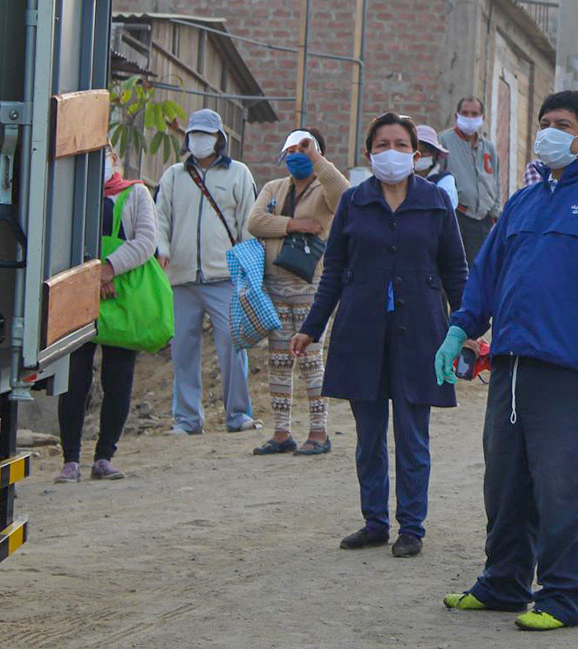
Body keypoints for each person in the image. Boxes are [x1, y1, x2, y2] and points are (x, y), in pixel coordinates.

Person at [436, 90, 578, 632]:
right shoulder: (523, 202)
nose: (547, 132)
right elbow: (486, 273)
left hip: (568, 369)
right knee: (505, 482)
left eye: (560, 124)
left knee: (564, 485)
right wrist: (461, 326)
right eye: (544, 123)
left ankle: (563, 596)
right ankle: (504, 582)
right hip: (509, 364)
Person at [291, 112, 468, 559]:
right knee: (368, 434)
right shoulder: (354, 202)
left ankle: (412, 525)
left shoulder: (434, 202)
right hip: (361, 329)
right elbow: (333, 271)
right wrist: (311, 328)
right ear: (369, 154)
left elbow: (455, 269)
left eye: (402, 144)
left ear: (416, 153)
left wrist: (468, 326)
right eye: (383, 144)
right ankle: (374, 520)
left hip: (421, 329)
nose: (393, 151)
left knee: (412, 432)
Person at [247, 127, 351, 457]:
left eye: (302, 149)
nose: (296, 155)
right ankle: (281, 431)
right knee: (278, 360)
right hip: (275, 284)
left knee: (310, 359)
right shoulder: (274, 187)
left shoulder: (325, 190)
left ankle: (319, 431)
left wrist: (316, 157)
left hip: (312, 286)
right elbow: (255, 221)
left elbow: (344, 194)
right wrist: (294, 225)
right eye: (290, 150)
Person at [54, 147, 156, 483]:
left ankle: (104, 456)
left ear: (113, 156)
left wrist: (110, 269)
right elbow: (62, 236)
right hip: (79, 297)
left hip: (124, 296)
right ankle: (70, 459)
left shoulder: (137, 193)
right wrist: (95, 275)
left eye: (104, 152)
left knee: (118, 379)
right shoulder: (70, 189)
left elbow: (146, 242)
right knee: (74, 380)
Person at [155, 108, 257, 436]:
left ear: (219, 139)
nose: (200, 140)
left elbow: (248, 222)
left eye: (206, 134)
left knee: (232, 346)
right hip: (182, 277)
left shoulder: (239, 174)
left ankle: (238, 414)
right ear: (188, 138)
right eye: (195, 134)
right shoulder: (173, 176)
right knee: (183, 350)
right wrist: (164, 250)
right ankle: (186, 419)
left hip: (225, 277)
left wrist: (246, 267)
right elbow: (161, 217)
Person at [440, 97, 502, 263]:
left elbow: (496, 180)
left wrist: (494, 213)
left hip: (483, 220)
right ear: (456, 115)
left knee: (478, 270)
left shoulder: (488, 147)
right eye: (465, 113)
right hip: (457, 215)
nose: (469, 117)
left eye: (474, 113)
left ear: (482, 118)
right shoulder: (444, 141)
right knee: (454, 264)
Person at [414, 124, 459, 206]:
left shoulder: (445, 180)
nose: (419, 156)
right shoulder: (403, 178)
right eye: (415, 152)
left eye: (424, 152)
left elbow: (444, 206)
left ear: (434, 154)